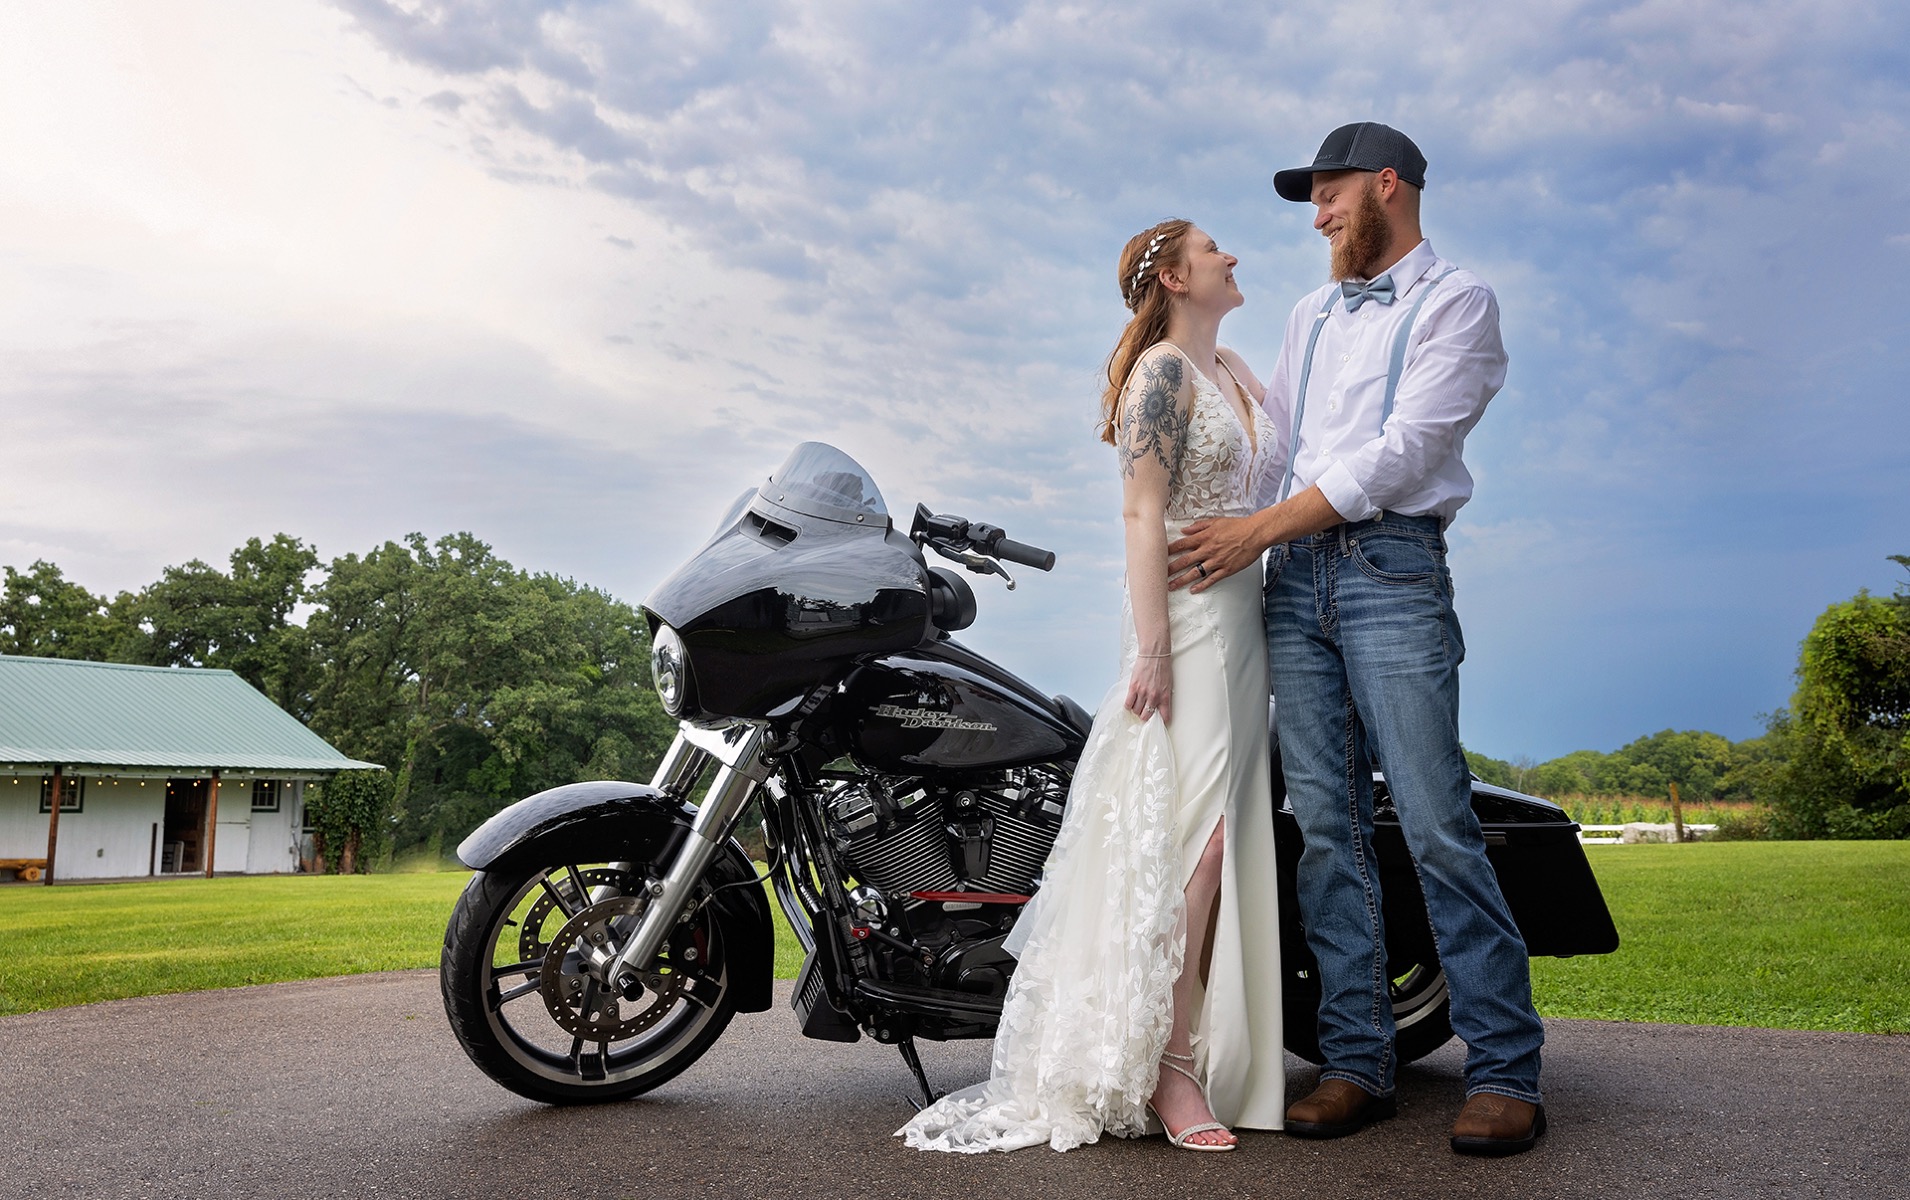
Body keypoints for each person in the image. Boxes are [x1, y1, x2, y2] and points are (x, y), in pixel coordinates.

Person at [1166, 123, 1548, 1156]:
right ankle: (1355, 1062)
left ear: (1388, 185)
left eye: (1329, 195)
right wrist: (1208, 534)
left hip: (1389, 571)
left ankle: (1505, 1068)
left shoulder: (1457, 302)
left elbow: (1401, 452)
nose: (1318, 215)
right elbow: (1278, 443)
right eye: (1311, 202)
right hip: (1293, 581)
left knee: (1432, 823)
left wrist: (1254, 529)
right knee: (1327, 831)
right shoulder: (1305, 313)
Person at [898, 219, 1286, 1153]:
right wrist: (1151, 648)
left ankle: (1212, 1049)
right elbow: (1141, 513)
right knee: (1195, 842)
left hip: (1245, 627)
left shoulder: (1236, 372)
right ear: (1178, 277)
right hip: (1186, 625)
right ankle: (1168, 1067)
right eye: (1215, 249)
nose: (1234, 257)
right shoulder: (1162, 374)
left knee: (1226, 836)